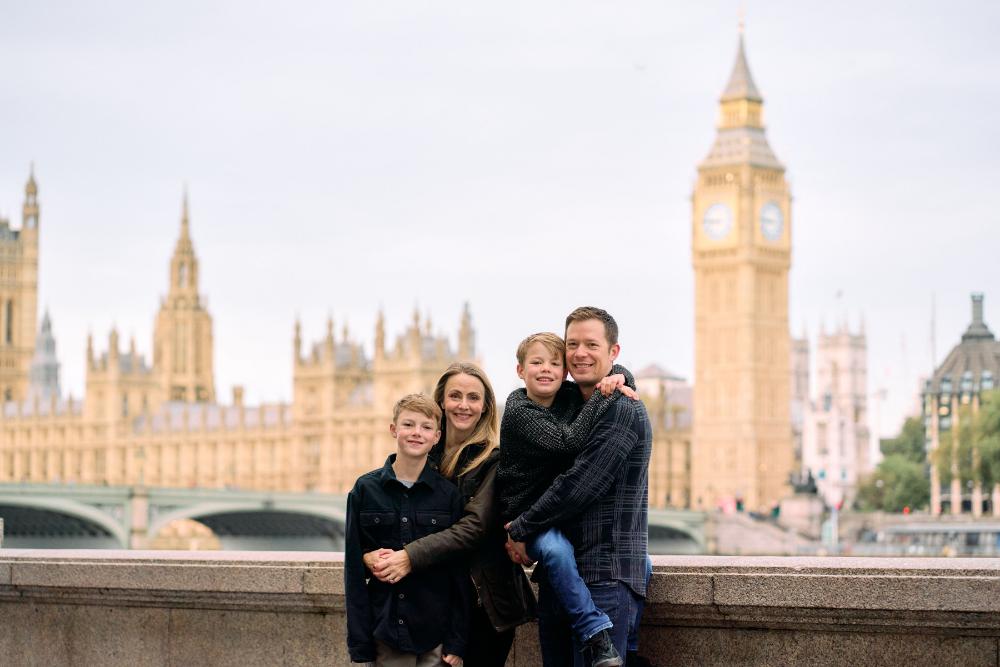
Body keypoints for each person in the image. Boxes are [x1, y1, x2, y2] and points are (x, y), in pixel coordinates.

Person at [506, 307, 652, 665]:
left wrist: (519, 528)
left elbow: (580, 486)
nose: (580, 353)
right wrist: (619, 376)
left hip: (604, 577)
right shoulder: (570, 403)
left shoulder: (621, 409)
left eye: (592, 344)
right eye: (573, 344)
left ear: (613, 352)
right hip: (563, 577)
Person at [365, 363, 535, 667]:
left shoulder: (494, 460)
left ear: (485, 407)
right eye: (455, 395)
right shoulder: (421, 454)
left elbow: (475, 527)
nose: (463, 405)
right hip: (430, 601)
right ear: (441, 401)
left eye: (473, 397)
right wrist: (368, 554)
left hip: (483, 603)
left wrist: (409, 556)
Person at [345, 393, 469, 666]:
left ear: (437, 437)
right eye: (408, 425)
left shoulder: (448, 496)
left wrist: (457, 640)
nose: (416, 433)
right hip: (386, 632)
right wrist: (360, 642)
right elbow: (353, 570)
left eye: (426, 427)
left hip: (434, 632)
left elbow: (458, 574)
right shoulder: (365, 490)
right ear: (393, 430)